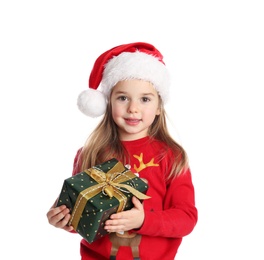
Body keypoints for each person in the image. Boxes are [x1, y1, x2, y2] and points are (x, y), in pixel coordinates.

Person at [47, 42, 198, 260]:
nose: (133, 108)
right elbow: (83, 215)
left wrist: (143, 221)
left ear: (158, 107)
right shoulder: (90, 153)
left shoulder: (172, 156)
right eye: (123, 97)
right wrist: (63, 219)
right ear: (108, 102)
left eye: (145, 99)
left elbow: (186, 218)